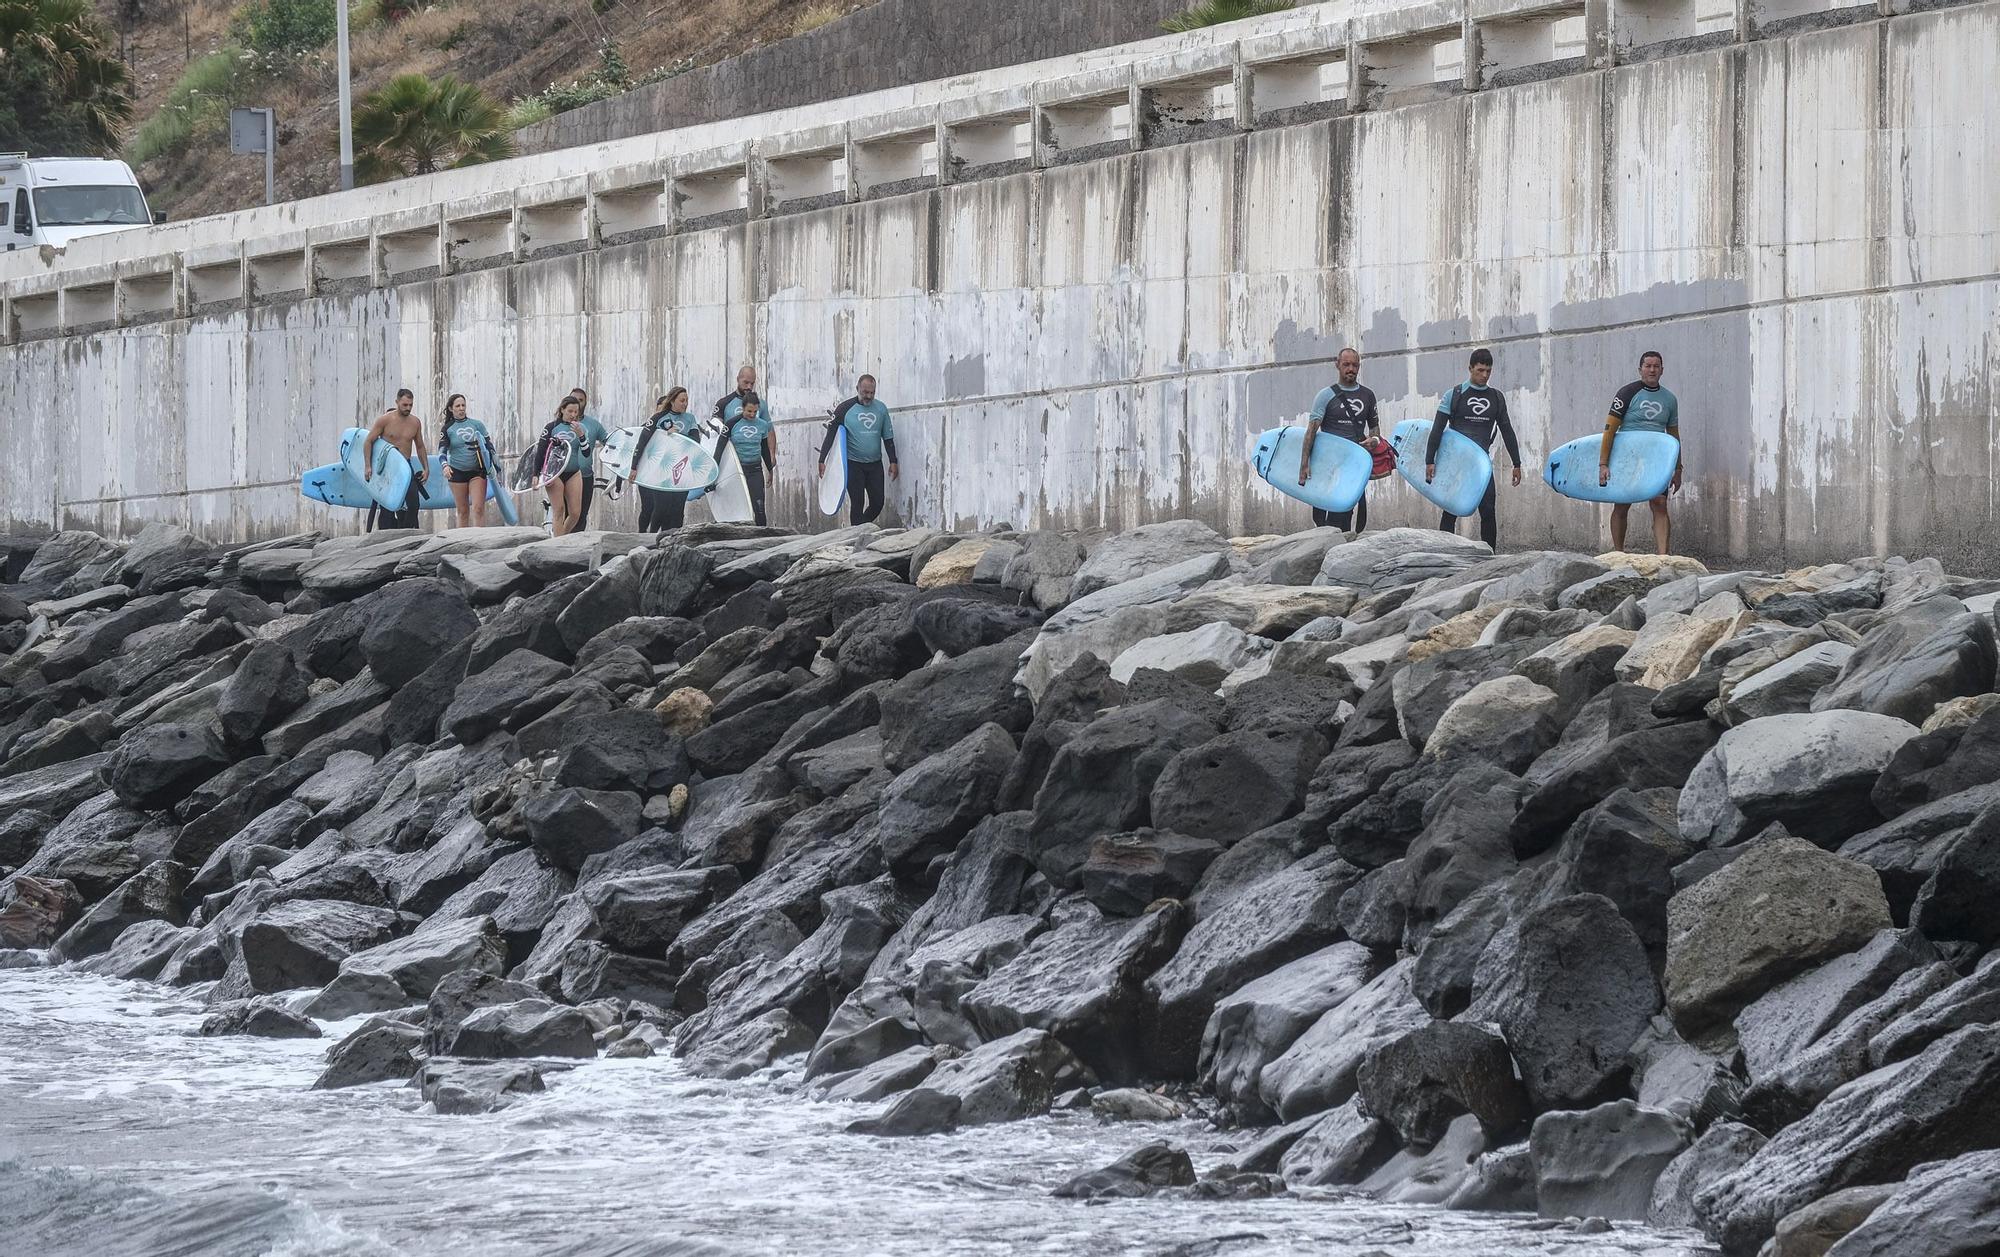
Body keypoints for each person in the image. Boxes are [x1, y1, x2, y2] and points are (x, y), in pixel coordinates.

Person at [1425, 348, 1523, 549]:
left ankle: (1489, 556)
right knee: (1450, 509)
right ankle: (1444, 554)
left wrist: (1517, 463)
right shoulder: (1454, 395)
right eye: (1480, 370)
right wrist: (1429, 460)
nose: (1485, 375)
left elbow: (1507, 430)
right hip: (1457, 464)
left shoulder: (1496, 397)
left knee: (1488, 510)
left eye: (1488, 371)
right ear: (1470, 368)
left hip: (1481, 465)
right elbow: (1437, 430)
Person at [1601, 349, 1683, 555]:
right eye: (1648, 366)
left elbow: (1674, 437)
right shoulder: (1626, 393)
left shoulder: (1670, 399)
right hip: (1628, 458)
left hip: (1656, 460)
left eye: (1656, 366)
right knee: (1622, 505)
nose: (1652, 370)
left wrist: (1678, 468)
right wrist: (1603, 463)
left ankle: (1663, 556)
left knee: (1660, 503)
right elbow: (1610, 430)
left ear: (1662, 370)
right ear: (1640, 369)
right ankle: (1618, 553)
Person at [1299, 347, 1382, 532]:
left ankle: (1339, 552)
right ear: (1337, 365)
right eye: (1346, 364)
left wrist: (1374, 441)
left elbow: (1375, 430)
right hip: (1326, 464)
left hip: (1352, 465)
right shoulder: (1325, 395)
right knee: (1320, 516)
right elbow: (1311, 431)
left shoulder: (1368, 395)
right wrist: (1304, 465)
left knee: (1344, 514)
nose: (1350, 369)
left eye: (1355, 365)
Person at [819, 373, 899, 525]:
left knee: (878, 502)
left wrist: (893, 461)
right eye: (865, 392)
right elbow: (831, 435)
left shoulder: (881, 409)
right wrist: (822, 459)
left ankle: (860, 526)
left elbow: (888, 437)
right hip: (853, 463)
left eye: (872, 393)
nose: (869, 396)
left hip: (875, 464)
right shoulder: (844, 409)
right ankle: (856, 534)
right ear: (857, 389)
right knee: (858, 502)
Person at [632, 388, 699, 533]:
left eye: (687, 400)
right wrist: (633, 467)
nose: (685, 403)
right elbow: (642, 442)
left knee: (677, 511)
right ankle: (652, 538)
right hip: (662, 470)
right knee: (661, 508)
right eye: (682, 400)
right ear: (672, 401)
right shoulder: (658, 418)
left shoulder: (690, 419)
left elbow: (696, 441)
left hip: (682, 471)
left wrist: (678, 435)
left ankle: (673, 543)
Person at [362, 387, 430, 530]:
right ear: (397, 402)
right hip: (387, 467)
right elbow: (368, 441)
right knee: (387, 506)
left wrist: (426, 468)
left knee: (413, 504)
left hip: (405, 466)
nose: (408, 408)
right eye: (405, 405)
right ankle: (386, 539)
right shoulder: (384, 420)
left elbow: (420, 446)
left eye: (411, 405)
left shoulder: (415, 422)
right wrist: (368, 465)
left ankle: (404, 534)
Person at [712, 392, 776, 526]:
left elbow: (764, 449)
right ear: (742, 408)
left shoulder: (762, 425)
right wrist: (714, 472)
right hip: (737, 471)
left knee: (759, 506)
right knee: (737, 507)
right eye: (749, 411)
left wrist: (770, 470)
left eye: (755, 411)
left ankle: (763, 538)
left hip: (755, 470)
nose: (752, 415)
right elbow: (720, 449)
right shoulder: (731, 424)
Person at [531, 397, 593, 536]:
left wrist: (581, 436)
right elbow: (541, 452)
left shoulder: (580, 428)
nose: (573, 414)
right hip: (555, 473)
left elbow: (586, 452)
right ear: (562, 409)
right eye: (570, 411)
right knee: (559, 510)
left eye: (576, 412)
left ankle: (560, 537)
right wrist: (536, 474)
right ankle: (558, 544)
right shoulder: (551, 427)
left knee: (576, 513)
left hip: (573, 472)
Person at [436, 393, 494, 529]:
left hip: (477, 472)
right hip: (457, 472)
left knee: (478, 509)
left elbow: (489, 446)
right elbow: (441, 452)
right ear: (451, 409)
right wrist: (445, 466)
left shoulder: (477, 424)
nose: (461, 408)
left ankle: (479, 541)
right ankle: (462, 543)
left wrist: (494, 462)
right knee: (462, 512)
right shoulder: (447, 429)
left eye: (463, 405)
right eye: (457, 406)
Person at [564, 386, 610, 531]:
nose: (577, 403)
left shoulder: (594, 425)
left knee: (580, 516)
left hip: (585, 477)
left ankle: (577, 550)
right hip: (564, 476)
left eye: (581, 400)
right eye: (574, 399)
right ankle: (559, 546)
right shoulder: (558, 425)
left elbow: (609, 442)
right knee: (563, 514)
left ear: (585, 403)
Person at [711, 364, 761, 434]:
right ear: (738, 379)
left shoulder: (761, 404)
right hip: (730, 444)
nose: (749, 387)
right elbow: (714, 431)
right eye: (746, 382)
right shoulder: (723, 403)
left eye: (752, 383)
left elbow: (769, 431)